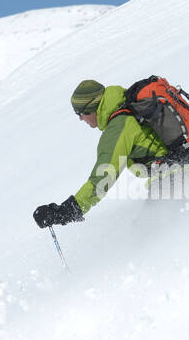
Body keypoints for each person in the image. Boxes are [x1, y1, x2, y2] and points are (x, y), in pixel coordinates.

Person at [32, 79, 169, 228]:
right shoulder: (127, 109)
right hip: (182, 168)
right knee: (147, 228)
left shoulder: (118, 128)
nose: (80, 118)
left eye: (80, 113)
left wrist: (65, 211)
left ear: (91, 108)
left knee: (150, 234)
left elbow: (102, 178)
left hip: (172, 178)